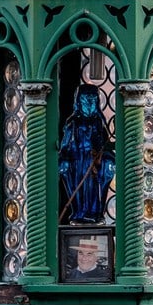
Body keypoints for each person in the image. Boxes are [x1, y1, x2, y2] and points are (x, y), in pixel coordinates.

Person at [58, 84, 116, 224]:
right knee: (80, 189)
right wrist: (65, 156)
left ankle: (95, 213)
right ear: (79, 102)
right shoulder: (73, 123)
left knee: (93, 189)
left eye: (93, 101)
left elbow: (104, 144)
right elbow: (64, 146)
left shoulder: (98, 123)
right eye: (86, 101)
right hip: (78, 162)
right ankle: (79, 212)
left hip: (93, 163)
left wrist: (104, 152)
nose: (89, 105)